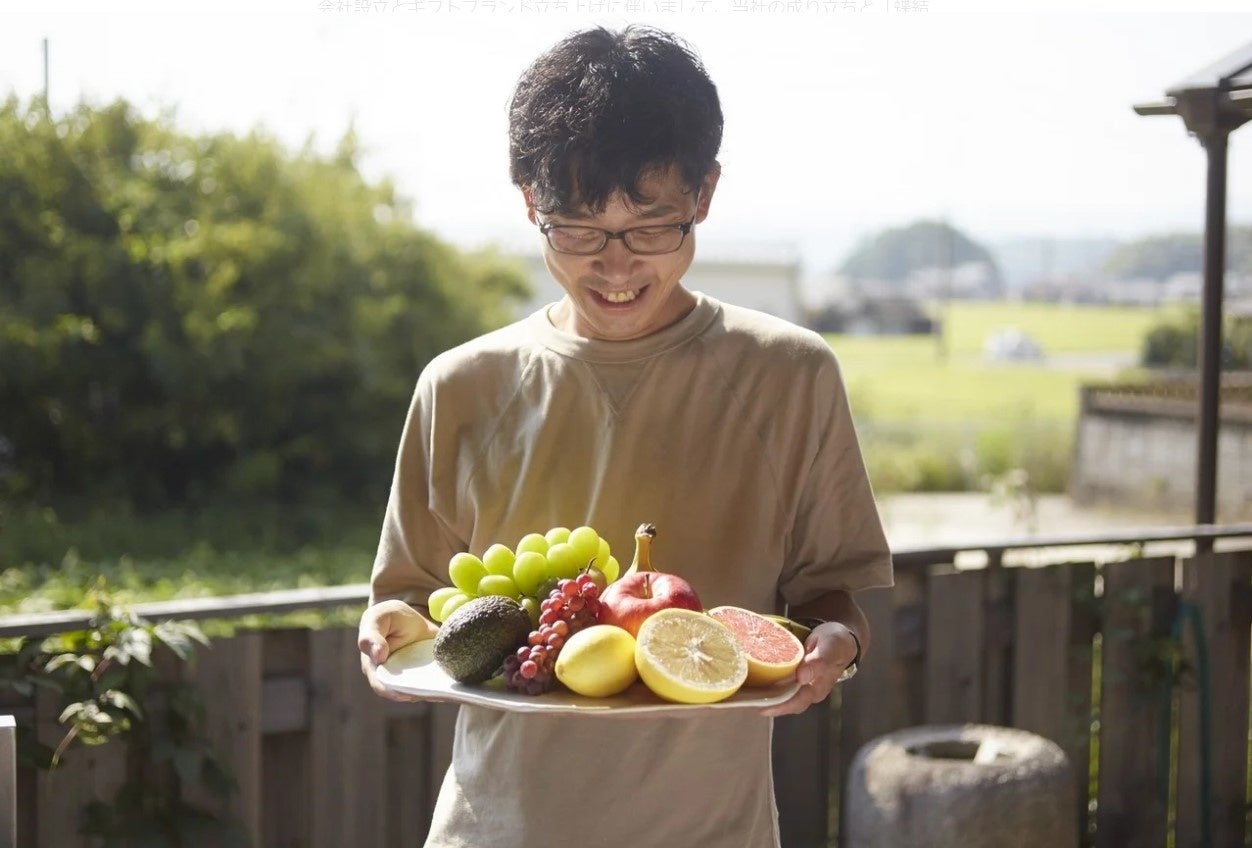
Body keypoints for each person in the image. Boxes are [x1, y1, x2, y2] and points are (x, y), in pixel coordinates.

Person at [357, 24, 893, 848]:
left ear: (704, 196)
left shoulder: (790, 374)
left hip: (714, 829)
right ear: (530, 202)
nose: (615, 265)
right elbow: (412, 601)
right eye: (575, 229)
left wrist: (838, 641)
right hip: (496, 828)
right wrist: (388, 629)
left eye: (651, 227)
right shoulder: (460, 386)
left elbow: (831, 590)